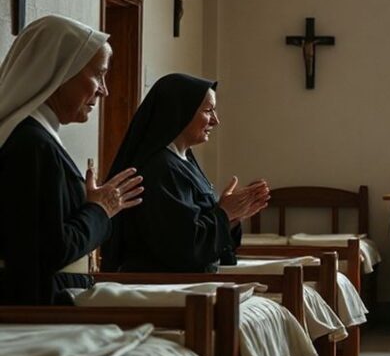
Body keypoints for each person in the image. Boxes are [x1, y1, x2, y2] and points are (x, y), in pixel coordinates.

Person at [0, 15, 142, 305]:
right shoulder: (32, 145)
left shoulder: (34, 138)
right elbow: (47, 250)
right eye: (99, 74)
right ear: (61, 71)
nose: (104, 89)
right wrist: (100, 210)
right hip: (40, 313)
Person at [101, 74, 269, 273]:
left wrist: (231, 219)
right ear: (181, 112)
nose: (216, 120)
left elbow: (198, 232)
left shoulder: (184, 160)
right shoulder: (159, 168)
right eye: (208, 111)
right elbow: (182, 248)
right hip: (160, 286)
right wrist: (224, 213)